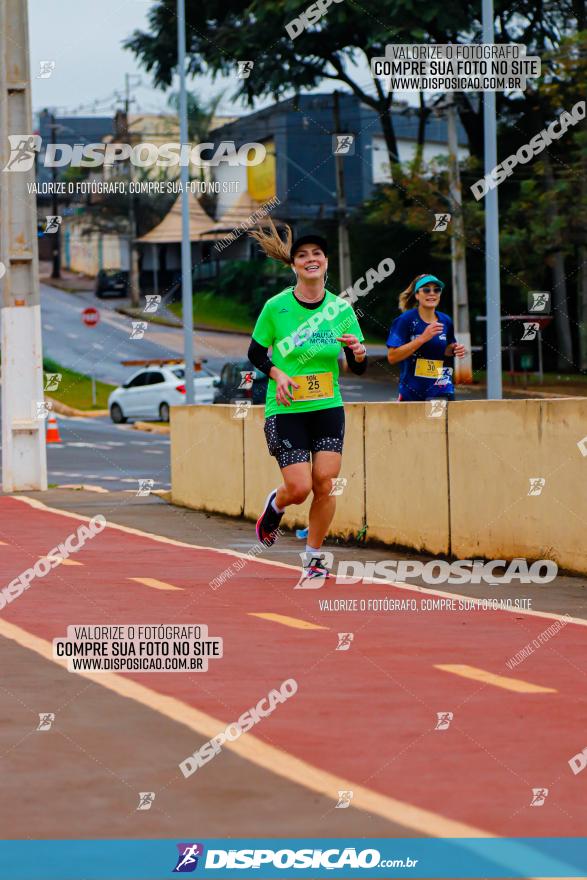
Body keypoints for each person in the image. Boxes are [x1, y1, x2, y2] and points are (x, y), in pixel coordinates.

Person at [247, 220, 367, 580]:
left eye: (317, 254)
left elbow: (358, 366)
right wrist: (279, 373)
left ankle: (313, 557)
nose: (310, 259)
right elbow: (255, 353)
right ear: (294, 265)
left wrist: (359, 352)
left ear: (326, 262)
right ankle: (276, 504)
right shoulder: (276, 307)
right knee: (299, 489)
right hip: (286, 409)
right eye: (303, 255)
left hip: (327, 407)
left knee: (325, 483)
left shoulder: (341, 310)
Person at [386, 274, 466, 402]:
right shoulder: (405, 320)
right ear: (417, 295)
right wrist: (422, 338)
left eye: (436, 289)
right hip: (412, 391)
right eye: (426, 289)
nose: (432, 293)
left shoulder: (445, 320)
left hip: (441, 388)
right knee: (416, 423)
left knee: (437, 421)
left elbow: (446, 349)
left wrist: (455, 349)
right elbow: (392, 357)